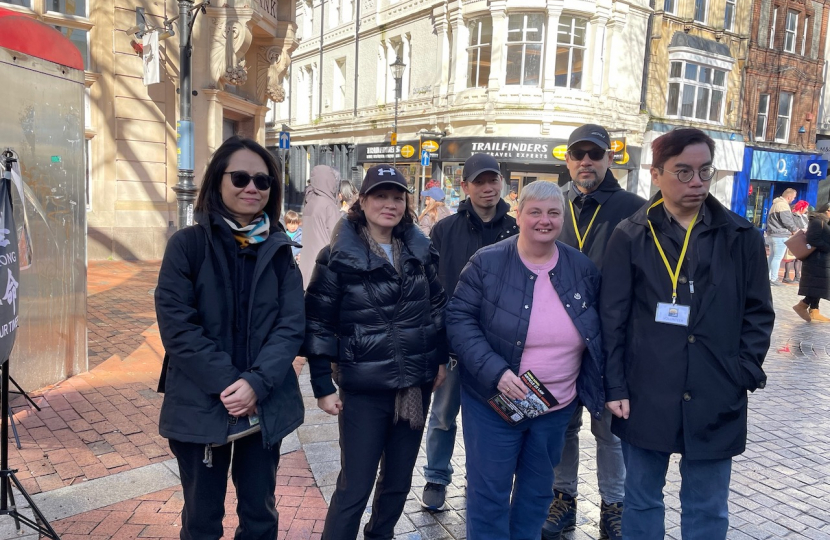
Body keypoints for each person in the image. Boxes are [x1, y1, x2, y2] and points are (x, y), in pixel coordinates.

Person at [601, 128, 775, 540]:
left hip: (717, 389)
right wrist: (615, 384)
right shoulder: (629, 234)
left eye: (704, 171)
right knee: (641, 498)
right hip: (645, 391)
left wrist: (743, 371)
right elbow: (613, 318)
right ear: (656, 174)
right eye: (683, 172)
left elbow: (758, 313)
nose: (696, 182)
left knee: (708, 506)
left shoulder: (740, 237)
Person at [154, 136, 305, 539]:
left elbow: (291, 325)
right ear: (217, 181)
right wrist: (229, 383)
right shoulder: (187, 246)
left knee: (260, 515)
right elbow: (178, 327)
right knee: (201, 520)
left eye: (263, 180)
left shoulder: (279, 249)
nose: (251, 188)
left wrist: (256, 383)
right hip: (202, 402)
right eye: (240, 177)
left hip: (265, 402)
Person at [446, 180, 605, 539]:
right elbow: (458, 319)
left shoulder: (581, 268)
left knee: (536, 495)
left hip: (555, 408)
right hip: (494, 403)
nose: (544, 221)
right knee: (489, 495)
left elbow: (598, 330)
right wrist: (497, 372)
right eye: (535, 212)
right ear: (518, 215)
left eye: (553, 213)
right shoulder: (487, 263)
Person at [303, 164, 448, 540]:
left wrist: (440, 359)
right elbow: (318, 321)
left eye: (397, 197)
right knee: (355, 487)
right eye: (380, 196)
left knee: (398, 484)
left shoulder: (419, 249)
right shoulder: (337, 255)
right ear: (362, 201)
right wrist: (322, 384)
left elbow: (437, 308)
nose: (389, 204)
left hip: (414, 385)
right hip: (364, 388)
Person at [543, 124, 645, 540]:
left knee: (609, 429)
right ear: (567, 160)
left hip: (611, 339)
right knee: (563, 424)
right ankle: (562, 497)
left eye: (595, 154)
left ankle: (613, 504)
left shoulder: (635, 208)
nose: (586, 161)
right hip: (561, 338)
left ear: (609, 158)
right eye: (578, 154)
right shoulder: (553, 204)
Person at [421, 153, 519, 511]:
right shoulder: (445, 230)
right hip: (452, 342)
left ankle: (481, 480)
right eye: (479, 181)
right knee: (444, 415)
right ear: (465, 187)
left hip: (498, 348)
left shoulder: (515, 230)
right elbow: (432, 289)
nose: (488, 188)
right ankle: (435, 476)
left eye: (493, 180)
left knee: (491, 419)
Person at [300, 165, 342, 288]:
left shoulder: (309, 202)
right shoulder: (329, 205)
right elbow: (338, 237)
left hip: (306, 262)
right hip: (324, 263)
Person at [793, 203, 830, 323]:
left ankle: (814, 310)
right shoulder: (818, 222)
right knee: (819, 285)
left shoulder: (824, 222)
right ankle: (803, 305)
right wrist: (827, 247)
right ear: (827, 211)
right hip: (817, 259)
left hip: (822, 259)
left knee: (818, 285)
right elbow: (812, 239)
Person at [765, 187, 799, 285]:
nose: (793, 199)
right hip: (780, 235)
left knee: (772, 256)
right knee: (777, 257)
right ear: (789, 197)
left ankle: (768, 277)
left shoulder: (775, 204)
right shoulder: (783, 205)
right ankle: (774, 279)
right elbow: (787, 220)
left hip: (772, 234)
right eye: (793, 197)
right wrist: (794, 230)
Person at [783, 200, 809, 283]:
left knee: (799, 258)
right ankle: (786, 276)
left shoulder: (804, 217)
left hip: (802, 238)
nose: (806, 210)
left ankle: (797, 277)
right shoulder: (792, 216)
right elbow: (791, 226)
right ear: (801, 207)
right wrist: (801, 230)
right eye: (806, 208)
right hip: (794, 237)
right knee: (790, 258)